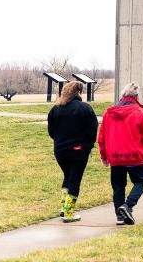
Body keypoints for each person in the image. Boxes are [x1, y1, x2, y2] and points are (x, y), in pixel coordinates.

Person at [98, 82, 143, 226]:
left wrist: (104, 156)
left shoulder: (109, 114)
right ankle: (127, 206)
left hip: (115, 157)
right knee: (141, 181)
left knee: (118, 186)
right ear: (137, 96)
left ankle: (120, 216)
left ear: (122, 95)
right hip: (135, 156)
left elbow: (102, 138)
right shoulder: (141, 113)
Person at [47, 81, 98, 223]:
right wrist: (88, 145)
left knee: (68, 177)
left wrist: (59, 141)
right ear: (79, 93)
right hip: (79, 150)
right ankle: (69, 213)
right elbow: (92, 130)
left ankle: (64, 209)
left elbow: (51, 132)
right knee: (75, 179)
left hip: (60, 150)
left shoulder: (55, 109)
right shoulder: (85, 108)